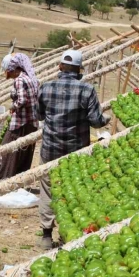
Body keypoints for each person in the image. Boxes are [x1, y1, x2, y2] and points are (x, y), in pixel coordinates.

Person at [36, 49, 110, 249]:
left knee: (48, 189)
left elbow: (39, 116)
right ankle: (71, 234)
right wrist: (106, 119)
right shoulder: (87, 90)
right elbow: (96, 122)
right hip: (76, 152)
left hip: (50, 149)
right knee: (75, 189)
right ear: (80, 70)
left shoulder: (46, 87)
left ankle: (46, 234)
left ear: (60, 67)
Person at [0, 53, 40, 181]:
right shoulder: (31, 78)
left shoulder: (20, 80)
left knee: (8, 151)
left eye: (9, 71)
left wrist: (13, 107)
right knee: (23, 152)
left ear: (15, 70)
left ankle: (4, 180)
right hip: (31, 122)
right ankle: (19, 180)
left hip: (21, 123)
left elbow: (22, 100)